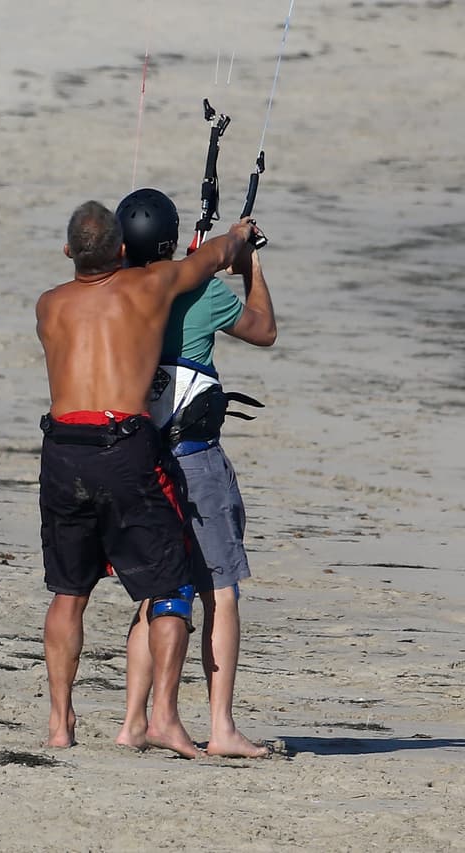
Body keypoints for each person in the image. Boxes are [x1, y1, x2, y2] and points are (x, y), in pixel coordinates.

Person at [36, 199, 255, 755]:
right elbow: (212, 260)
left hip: (62, 449)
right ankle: (163, 718)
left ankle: (61, 725)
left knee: (68, 593)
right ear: (120, 251)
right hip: (121, 446)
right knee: (172, 585)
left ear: (68, 252)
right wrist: (236, 239)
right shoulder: (149, 287)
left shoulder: (48, 304)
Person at [109, 188, 277, 759]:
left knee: (156, 593)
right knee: (220, 590)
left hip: (138, 458)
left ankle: (133, 722)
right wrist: (249, 259)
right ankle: (222, 726)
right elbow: (264, 330)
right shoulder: (201, 291)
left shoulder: (118, 291)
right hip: (195, 458)